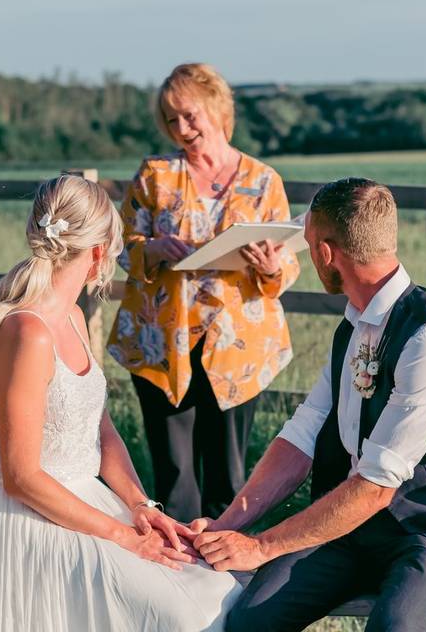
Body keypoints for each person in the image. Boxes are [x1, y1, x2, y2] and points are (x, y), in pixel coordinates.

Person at [191, 178, 426, 632]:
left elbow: (377, 486)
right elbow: (301, 438)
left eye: (308, 246)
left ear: (325, 253)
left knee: (393, 628)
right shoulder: (354, 327)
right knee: (248, 621)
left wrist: (260, 547)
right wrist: (226, 525)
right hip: (347, 529)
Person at [0, 175, 241, 631]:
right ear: (99, 254)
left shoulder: (71, 317)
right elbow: (21, 477)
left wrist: (141, 507)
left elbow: (101, 431)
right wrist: (123, 537)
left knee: (217, 590)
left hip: (86, 503)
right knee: (180, 615)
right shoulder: (26, 334)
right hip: (28, 521)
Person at [107, 63, 300, 522]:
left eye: (189, 115)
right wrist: (152, 249)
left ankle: (225, 578)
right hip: (161, 345)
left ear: (216, 108)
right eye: (171, 120)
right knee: (174, 481)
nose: (181, 129)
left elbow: (284, 267)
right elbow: (120, 249)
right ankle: (173, 577)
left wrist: (272, 267)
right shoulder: (154, 176)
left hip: (238, 348)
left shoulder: (263, 181)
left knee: (229, 481)